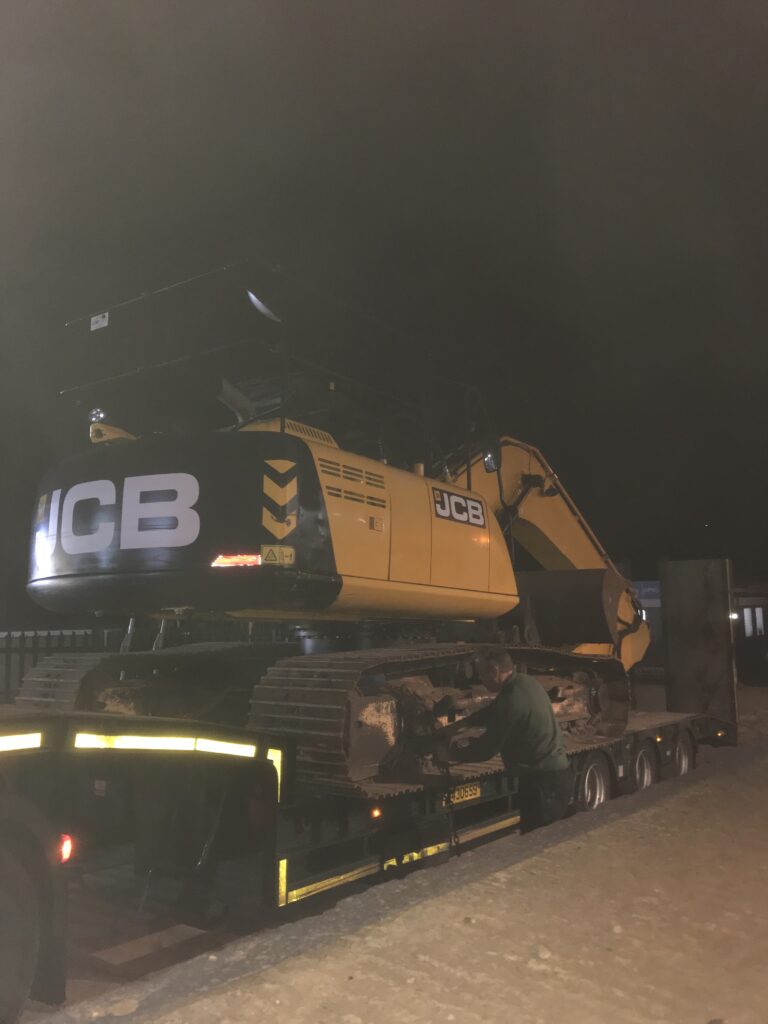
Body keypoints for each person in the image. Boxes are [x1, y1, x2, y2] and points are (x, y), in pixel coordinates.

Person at [433, 647, 574, 832]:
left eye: (482, 674)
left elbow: (486, 749)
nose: (481, 680)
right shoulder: (525, 683)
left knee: (535, 842)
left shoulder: (512, 700)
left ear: (494, 671)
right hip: (554, 776)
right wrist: (459, 726)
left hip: (543, 784)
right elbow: (493, 711)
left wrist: (449, 754)